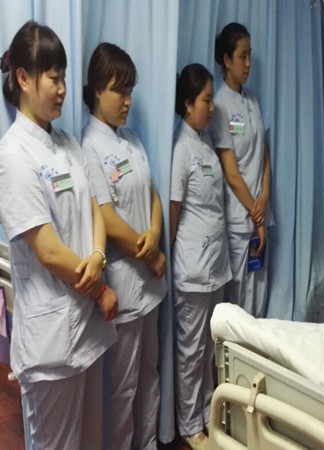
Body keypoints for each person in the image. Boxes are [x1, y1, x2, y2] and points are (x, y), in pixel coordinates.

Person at [0, 21, 117, 448]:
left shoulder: (68, 143)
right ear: (23, 78)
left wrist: (99, 257)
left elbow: (96, 209)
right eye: (54, 78)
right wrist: (100, 289)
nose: (63, 89)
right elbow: (48, 251)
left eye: (64, 77)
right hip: (51, 341)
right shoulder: (13, 154)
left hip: (86, 328)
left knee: (90, 439)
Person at [82, 42, 167, 449]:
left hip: (150, 283)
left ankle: (147, 443)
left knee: (150, 375)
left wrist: (155, 231)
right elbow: (108, 220)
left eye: (130, 91)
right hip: (126, 288)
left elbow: (153, 195)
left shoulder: (131, 139)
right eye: (120, 91)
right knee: (122, 389)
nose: (128, 100)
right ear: (98, 90)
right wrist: (151, 252)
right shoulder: (89, 147)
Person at [170, 63, 232, 450]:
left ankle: (208, 412)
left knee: (208, 347)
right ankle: (189, 424)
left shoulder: (205, 142)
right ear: (188, 104)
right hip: (192, 269)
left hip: (214, 265)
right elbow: (174, 212)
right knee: (190, 352)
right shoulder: (181, 149)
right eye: (206, 100)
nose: (212, 107)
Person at [210, 22, 274, 318]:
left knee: (258, 297)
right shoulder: (220, 105)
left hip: (259, 212)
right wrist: (255, 211)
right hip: (239, 220)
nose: (248, 63)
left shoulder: (252, 100)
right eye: (242, 56)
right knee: (240, 302)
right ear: (227, 60)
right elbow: (232, 174)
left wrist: (265, 197)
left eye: (250, 56)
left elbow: (264, 154)